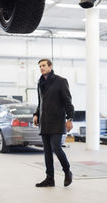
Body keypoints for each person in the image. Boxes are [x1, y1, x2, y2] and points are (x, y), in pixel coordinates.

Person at [33, 58, 74, 187]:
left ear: (50, 67)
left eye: (44, 65)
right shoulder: (40, 83)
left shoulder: (61, 81)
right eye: (40, 66)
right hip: (44, 122)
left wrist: (70, 118)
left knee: (56, 147)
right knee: (47, 151)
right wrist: (36, 114)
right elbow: (41, 102)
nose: (41, 68)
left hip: (57, 121)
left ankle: (67, 171)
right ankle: (50, 178)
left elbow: (68, 101)